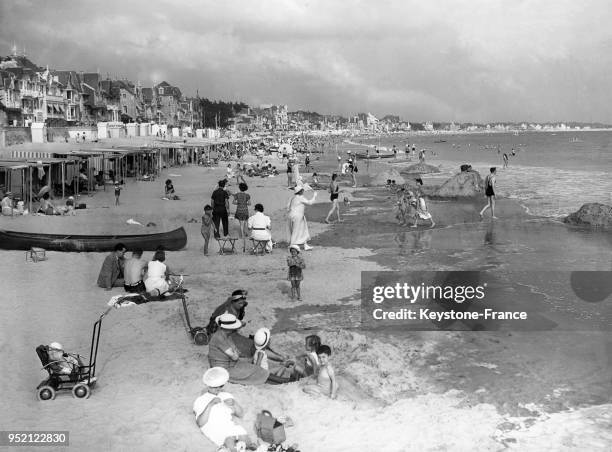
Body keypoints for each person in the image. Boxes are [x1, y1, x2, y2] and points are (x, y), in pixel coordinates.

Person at [193, 367, 251, 452]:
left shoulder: (226, 395)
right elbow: (200, 423)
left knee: (247, 443)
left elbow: (241, 414)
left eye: (221, 386)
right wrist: (210, 405)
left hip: (230, 426)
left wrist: (234, 404)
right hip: (216, 428)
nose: (218, 389)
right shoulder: (201, 400)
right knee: (231, 444)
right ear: (208, 385)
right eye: (214, 387)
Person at [207, 313, 270, 385]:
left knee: (253, 368)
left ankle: (279, 379)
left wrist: (235, 353)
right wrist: (235, 353)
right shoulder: (219, 338)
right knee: (256, 371)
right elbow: (235, 356)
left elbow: (235, 353)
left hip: (230, 364)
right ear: (229, 328)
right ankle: (282, 380)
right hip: (223, 369)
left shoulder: (226, 335)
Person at [287, 182, 317, 250]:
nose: (303, 191)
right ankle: (292, 245)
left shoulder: (293, 197)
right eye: (302, 190)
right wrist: (314, 195)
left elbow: (287, 207)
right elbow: (310, 202)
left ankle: (305, 245)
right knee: (296, 230)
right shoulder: (300, 197)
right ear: (300, 191)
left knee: (303, 229)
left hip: (293, 215)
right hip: (297, 216)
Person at [232, 183, 251, 253]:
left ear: (239, 188)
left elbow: (233, 202)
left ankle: (242, 235)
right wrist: (244, 203)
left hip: (239, 210)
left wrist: (239, 203)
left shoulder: (237, 195)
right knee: (245, 222)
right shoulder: (247, 195)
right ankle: (245, 233)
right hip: (245, 210)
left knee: (241, 224)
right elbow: (249, 203)